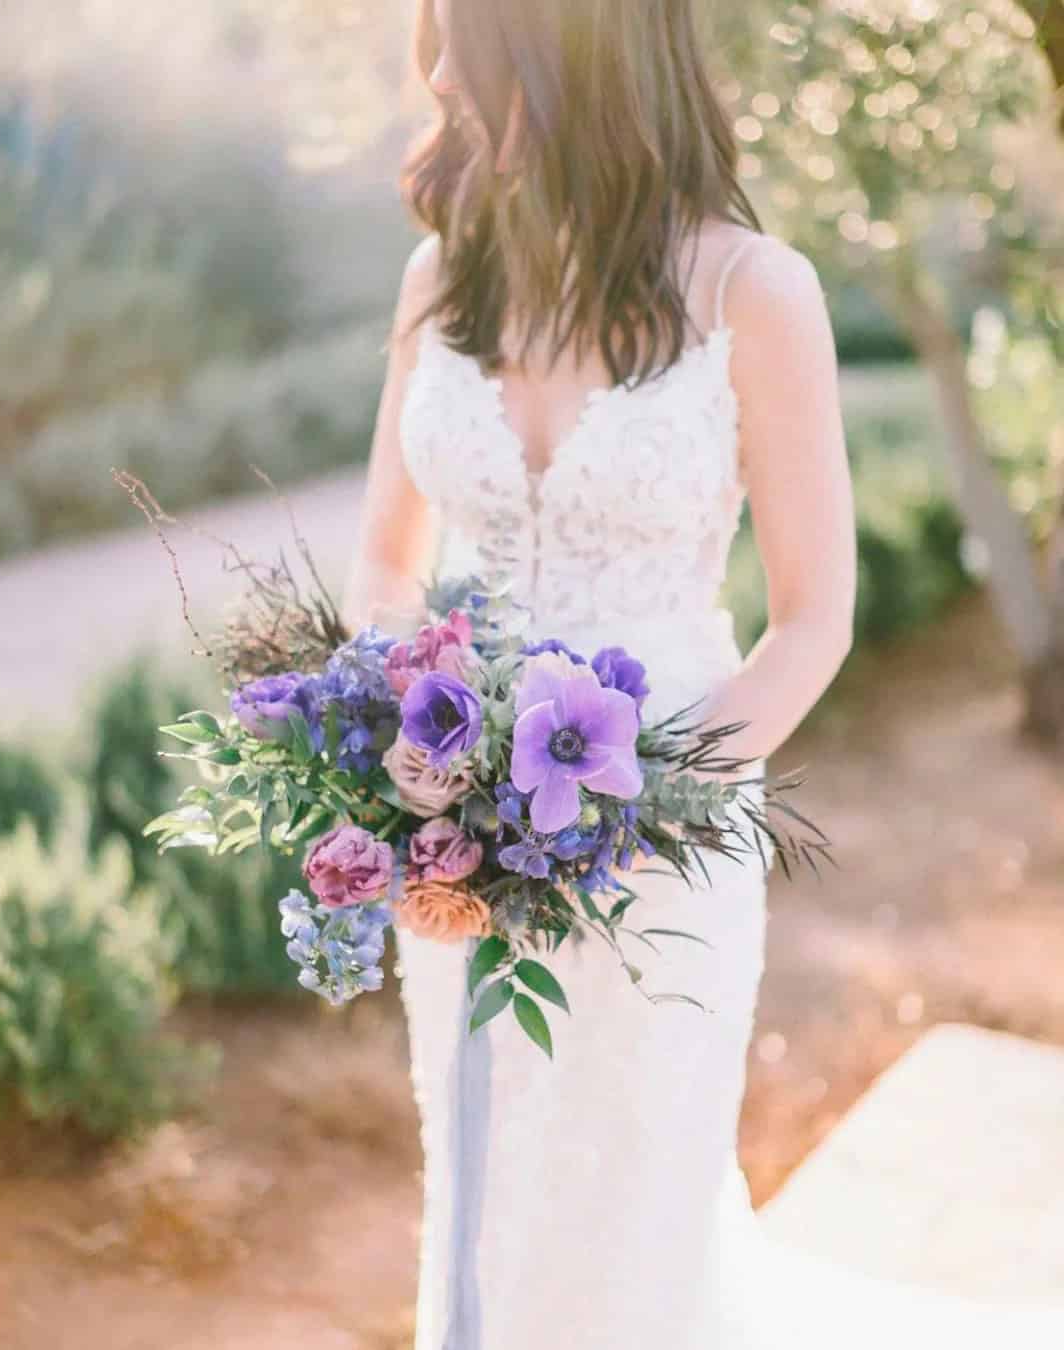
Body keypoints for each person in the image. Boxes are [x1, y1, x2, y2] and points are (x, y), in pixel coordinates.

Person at [348, 2, 1064, 1346]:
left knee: (634, 1222)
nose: (437, 74)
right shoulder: (439, 281)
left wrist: (633, 811)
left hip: (660, 854)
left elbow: (815, 618)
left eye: (470, 41)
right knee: (489, 1203)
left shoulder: (752, 291)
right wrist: (405, 766)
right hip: (459, 856)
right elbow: (386, 565)